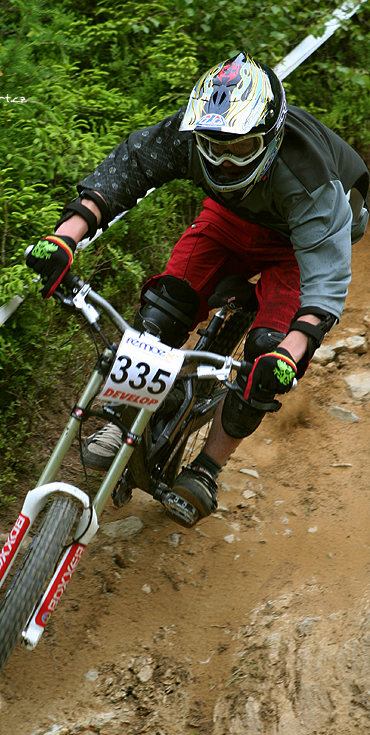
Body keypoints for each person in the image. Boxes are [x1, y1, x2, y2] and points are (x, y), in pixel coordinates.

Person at [26, 51, 369, 528]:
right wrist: (65, 237)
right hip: (230, 218)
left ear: (270, 137)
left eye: (242, 148)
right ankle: (125, 415)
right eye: (214, 146)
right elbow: (129, 168)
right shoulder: (189, 135)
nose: (225, 162)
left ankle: (208, 467)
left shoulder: (313, 182)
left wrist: (290, 353)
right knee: (162, 309)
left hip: (300, 242)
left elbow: (325, 282)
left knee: (267, 357)